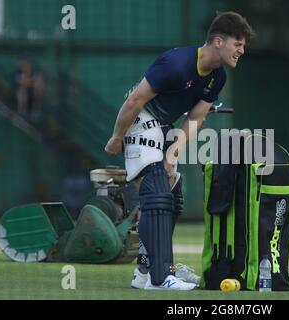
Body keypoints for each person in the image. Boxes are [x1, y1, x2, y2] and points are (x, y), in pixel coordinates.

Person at [105, 11, 254, 290]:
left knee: (172, 197)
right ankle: (160, 279)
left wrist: (173, 152)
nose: (242, 51)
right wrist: (117, 137)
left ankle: (147, 271)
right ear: (219, 41)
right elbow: (135, 100)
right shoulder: (176, 64)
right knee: (157, 194)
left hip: (163, 127)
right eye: (238, 44)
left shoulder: (217, 78)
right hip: (140, 119)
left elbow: (196, 117)